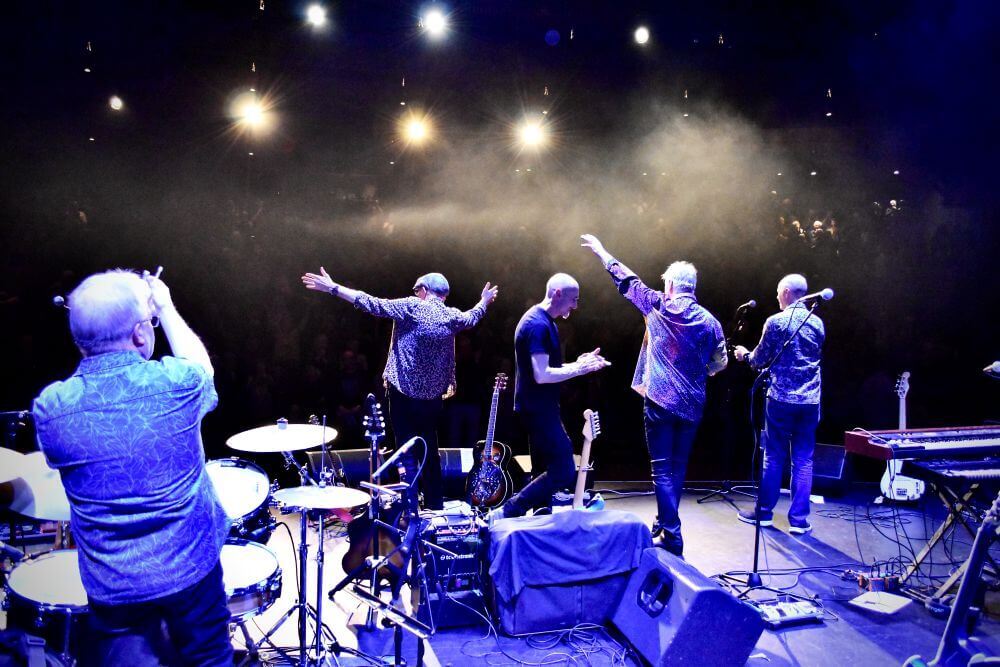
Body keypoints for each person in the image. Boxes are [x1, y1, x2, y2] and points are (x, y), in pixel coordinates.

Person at [32, 268, 232, 666]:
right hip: (190, 571)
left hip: (114, 585)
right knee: (209, 658)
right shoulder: (176, 383)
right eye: (151, 322)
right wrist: (167, 308)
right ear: (141, 333)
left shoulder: (50, 409)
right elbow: (203, 369)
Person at [301, 267, 498, 510]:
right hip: (432, 399)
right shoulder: (452, 316)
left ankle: (410, 506)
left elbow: (371, 303)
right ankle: (435, 506)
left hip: (403, 395)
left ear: (425, 291)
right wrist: (484, 300)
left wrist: (333, 288)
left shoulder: (411, 307)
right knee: (429, 451)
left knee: (406, 452)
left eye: (417, 290)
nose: (415, 294)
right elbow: (473, 316)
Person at [581, 235, 727, 556]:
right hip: (691, 405)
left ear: (672, 284)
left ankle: (672, 536)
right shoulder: (710, 322)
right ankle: (664, 521)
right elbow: (720, 363)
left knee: (661, 470)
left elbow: (626, 280)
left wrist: (603, 252)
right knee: (677, 468)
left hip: (660, 402)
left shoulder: (657, 306)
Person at [487, 273, 610, 522]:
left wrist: (578, 362)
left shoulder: (546, 321)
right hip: (537, 408)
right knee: (564, 469)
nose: (575, 306)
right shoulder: (537, 325)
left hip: (539, 405)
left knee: (543, 469)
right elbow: (542, 375)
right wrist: (580, 369)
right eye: (573, 300)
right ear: (557, 294)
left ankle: (541, 520)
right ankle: (507, 511)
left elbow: (547, 366)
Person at [733, 273, 825, 535]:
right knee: (803, 460)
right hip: (810, 401)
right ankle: (799, 520)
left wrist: (744, 355)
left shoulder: (776, 322)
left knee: (773, 457)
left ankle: (763, 514)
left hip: (782, 399)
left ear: (786, 292)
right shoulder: (818, 324)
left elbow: (759, 360)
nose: (776, 297)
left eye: (777, 292)